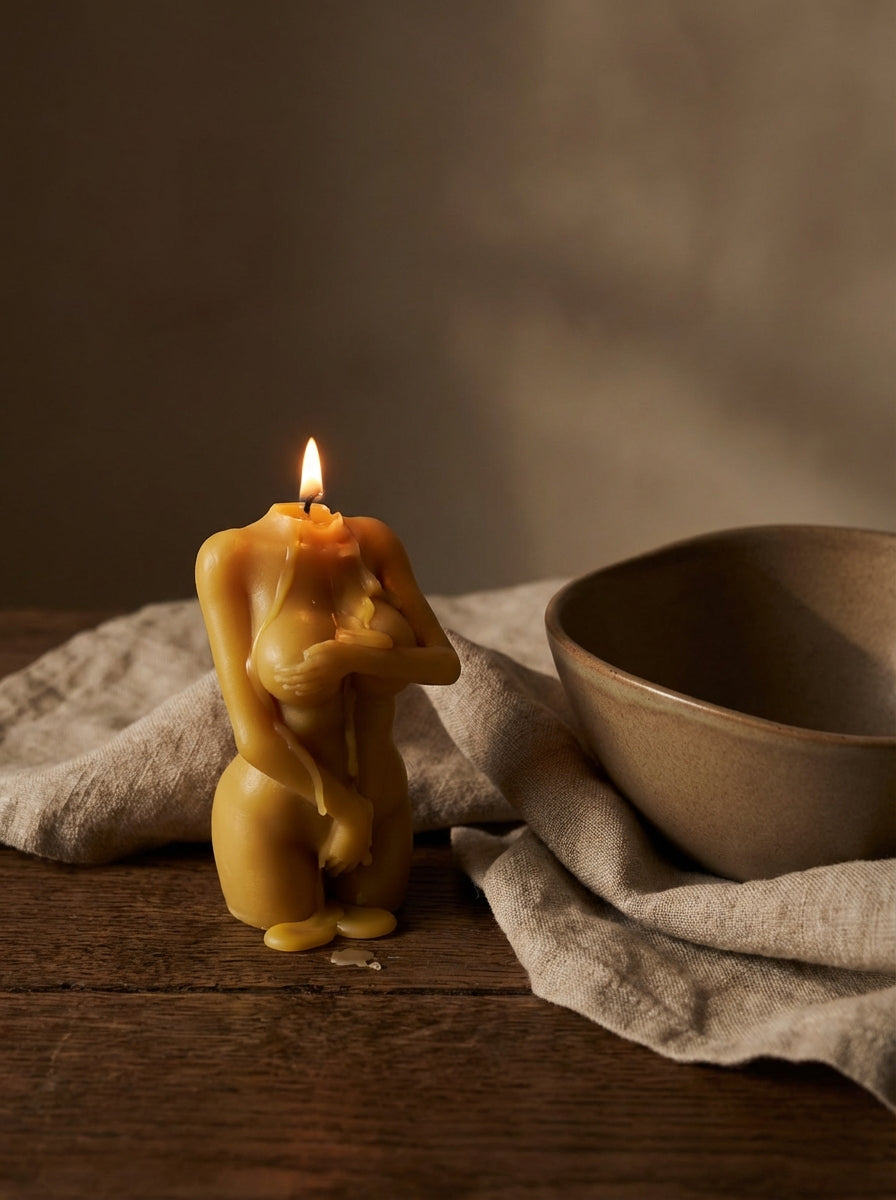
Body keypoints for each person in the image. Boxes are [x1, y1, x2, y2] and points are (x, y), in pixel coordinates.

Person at [196, 501, 460, 951]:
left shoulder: (373, 541)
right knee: (286, 916)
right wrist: (347, 811)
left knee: (383, 912)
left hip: (382, 802)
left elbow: (446, 664)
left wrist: (358, 657)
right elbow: (253, 735)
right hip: (276, 811)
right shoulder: (229, 556)